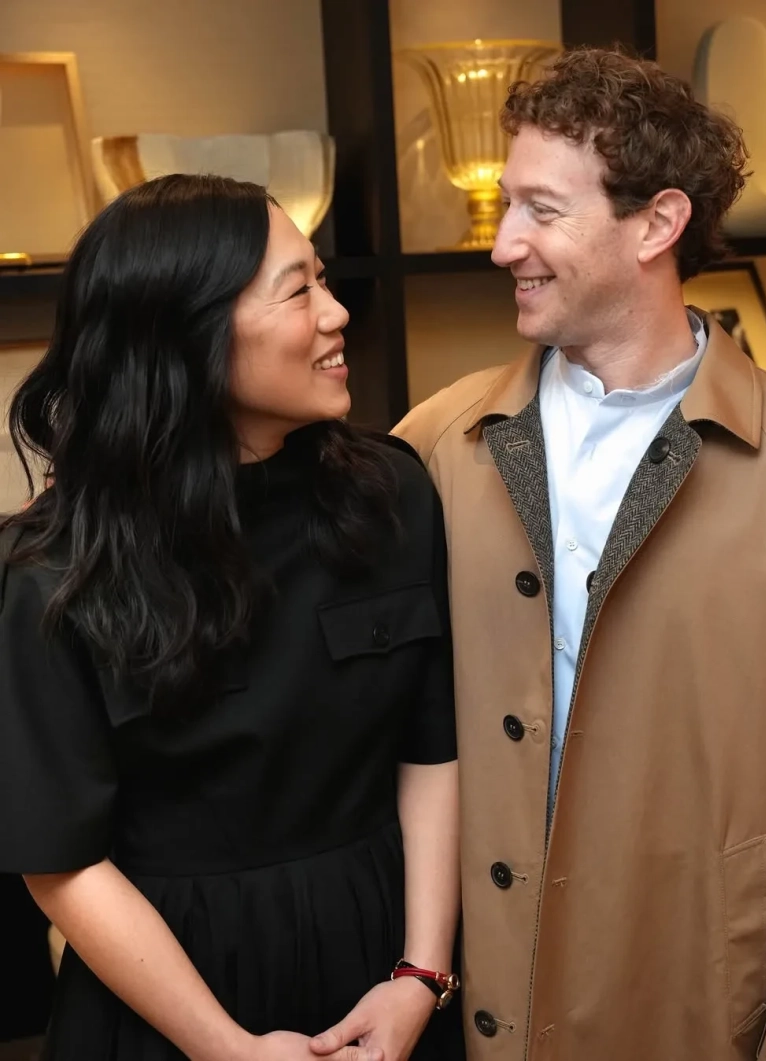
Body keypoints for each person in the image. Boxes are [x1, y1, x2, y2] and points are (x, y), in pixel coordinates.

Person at [394, 46, 766, 1061]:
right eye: (505, 206)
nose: (503, 244)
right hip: (468, 1001)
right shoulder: (435, 443)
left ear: (657, 223)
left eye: (541, 210)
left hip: (693, 1004)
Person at [0, 174, 464, 1061]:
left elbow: (432, 750)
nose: (336, 314)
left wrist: (421, 974)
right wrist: (228, 1048)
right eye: (298, 290)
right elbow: (61, 861)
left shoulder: (390, 494)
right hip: (169, 1004)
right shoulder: (54, 568)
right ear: (188, 332)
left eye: (324, 278)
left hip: (389, 978)